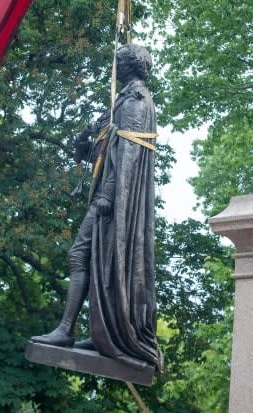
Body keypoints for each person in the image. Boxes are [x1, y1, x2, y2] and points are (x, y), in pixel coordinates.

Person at [31, 43, 162, 372]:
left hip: (112, 198)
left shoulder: (136, 100)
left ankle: (65, 331)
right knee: (98, 263)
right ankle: (101, 333)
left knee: (80, 256)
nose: (113, 68)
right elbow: (103, 155)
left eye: (117, 62)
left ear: (128, 66)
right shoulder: (121, 101)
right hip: (106, 193)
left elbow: (130, 156)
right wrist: (83, 143)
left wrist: (110, 192)